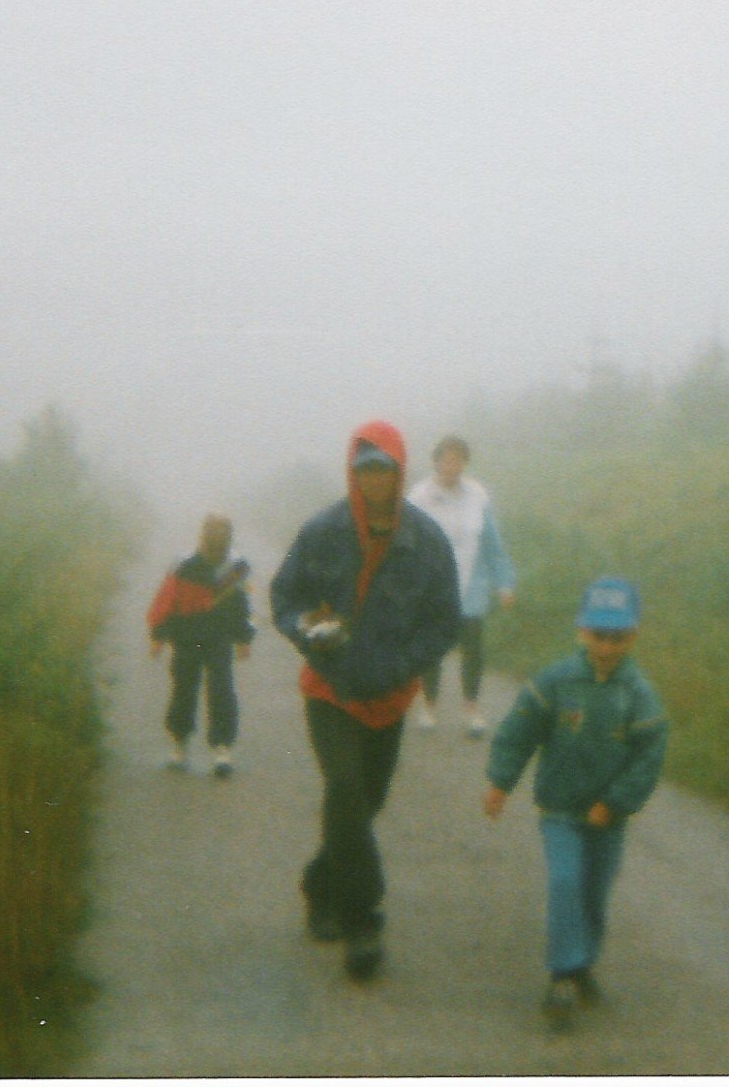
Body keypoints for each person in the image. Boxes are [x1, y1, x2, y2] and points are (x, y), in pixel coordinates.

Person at [271, 421, 461, 980]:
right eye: (364, 469)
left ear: (400, 471)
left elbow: (444, 624)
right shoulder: (322, 531)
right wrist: (306, 629)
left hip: (391, 695)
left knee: (364, 804)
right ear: (352, 474)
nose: (373, 479)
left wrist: (403, 668)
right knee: (347, 790)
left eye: (383, 468)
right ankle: (363, 922)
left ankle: (319, 885)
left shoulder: (426, 541)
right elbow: (286, 596)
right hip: (330, 689)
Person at [483, 576, 668, 1032]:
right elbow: (519, 730)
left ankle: (583, 963)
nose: (606, 647)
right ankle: (562, 974)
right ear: (582, 632)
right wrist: (500, 782)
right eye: (598, 636)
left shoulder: (638, 694)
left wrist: (617, 802)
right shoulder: (556, 681)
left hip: (608, 817)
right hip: (560, 809)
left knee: (594, 893)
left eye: (617, 637)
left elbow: (650, 756)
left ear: (633, 636)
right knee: (565, 881)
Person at [406, 434, 517, 736]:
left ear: (465, 463)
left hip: (471, 585)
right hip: (433, 586)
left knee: (473, 647)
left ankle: (472, 708)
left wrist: (504, 583)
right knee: (432, 648)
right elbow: (407, 545)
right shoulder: (419, 498)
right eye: (446, 458)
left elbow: (493, 545)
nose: (452, 464)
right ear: (436, 461)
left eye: (458, 459)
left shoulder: (477, 497)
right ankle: (428, 705)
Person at [145, 514, 254, 777]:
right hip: (186, 636)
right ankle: (180, 745)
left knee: (221, 689)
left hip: (219, 637)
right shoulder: (183, 565)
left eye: (222, 537)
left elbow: (241, 605)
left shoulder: (236, 566)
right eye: (212, 536)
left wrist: (243, 638)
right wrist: (158, 635)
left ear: (229, 539)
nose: (217, 544)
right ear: (203, 537)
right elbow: (167, 601)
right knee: (184, 689)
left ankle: (222, 749)